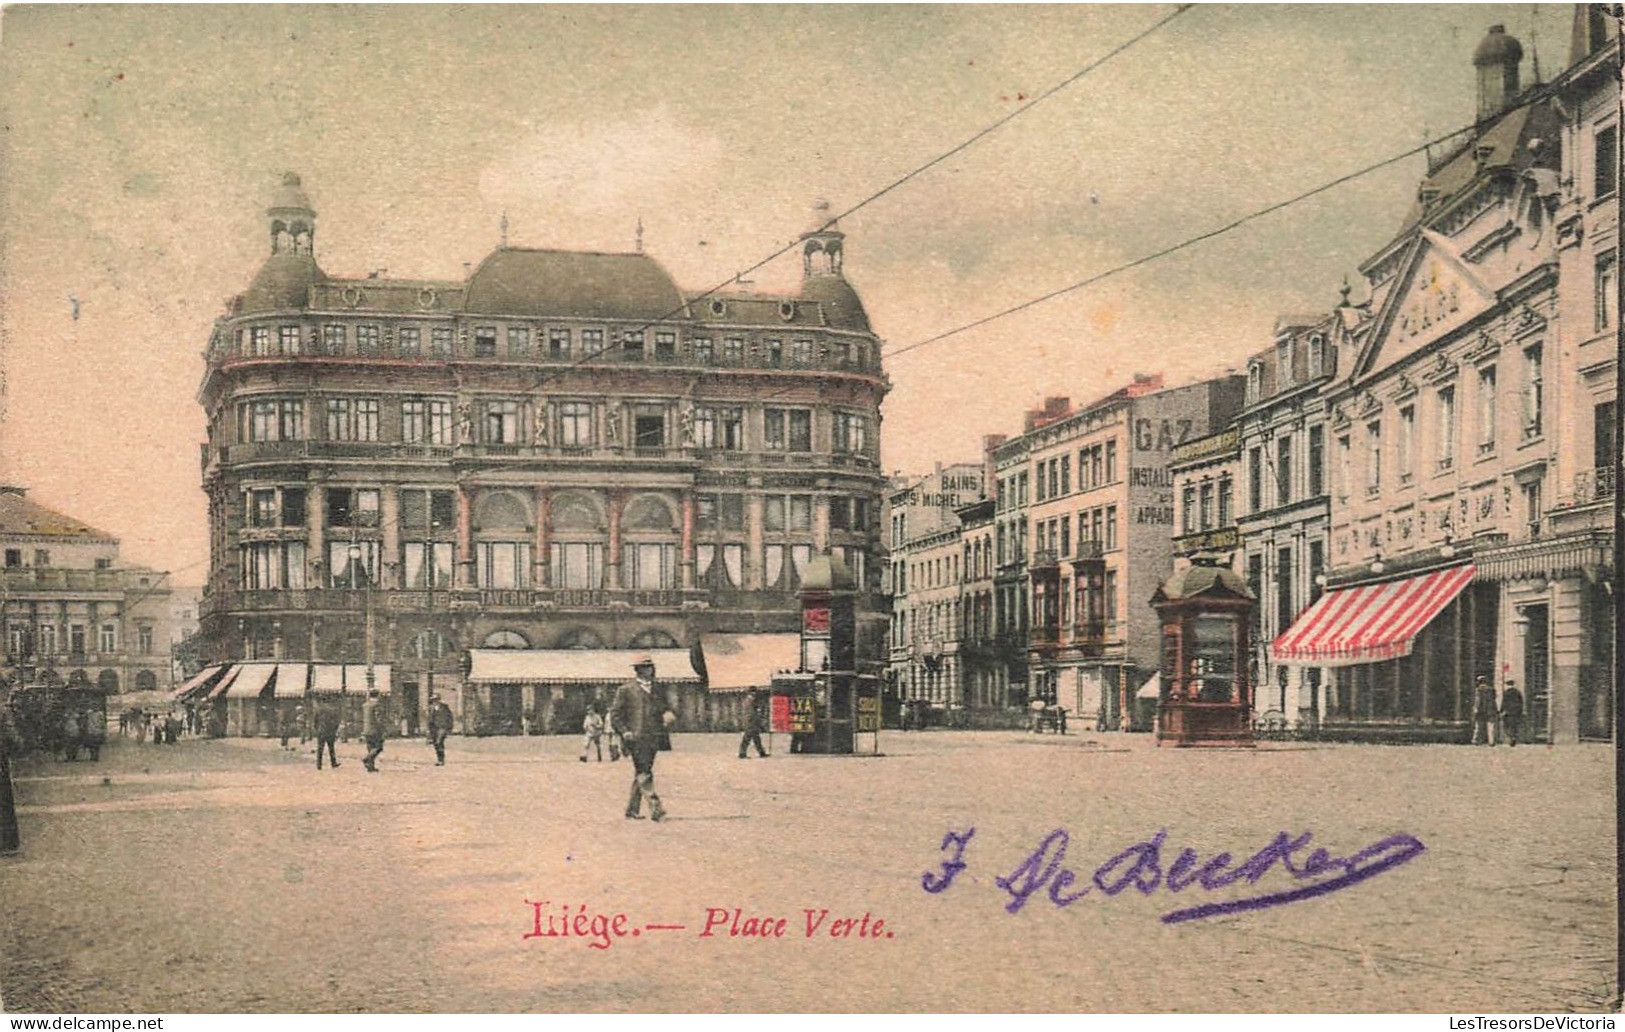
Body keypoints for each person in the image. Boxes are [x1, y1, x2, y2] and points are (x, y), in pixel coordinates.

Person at [610, 654, 675, 821]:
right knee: (644, 772)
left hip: (654, 737)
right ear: (637, 670)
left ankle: (631, 810)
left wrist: (668, 713)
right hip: (635, 738)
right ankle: (656, 808)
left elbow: (665, 707)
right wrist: (624, 731)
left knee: (642, 771)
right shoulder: (625, 690)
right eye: (645, 667)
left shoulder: (658, 688)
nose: (649, 670)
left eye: (650, 666)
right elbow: (615, 715)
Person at [738, 689, 767, 759]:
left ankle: (761, 752)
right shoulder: (749, 701)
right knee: (747, 738)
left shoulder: (751, 701)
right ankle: (742, 753)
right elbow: (750, 713)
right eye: (753, 692)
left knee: (756, 738)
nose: (755, 694)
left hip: (752, 722)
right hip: (750, 722)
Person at [361, 689, 385, 773]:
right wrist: (382, 729)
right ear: (377, 695)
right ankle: (367, 759)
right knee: (378, 747)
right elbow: (379, 719)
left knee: (370, 747)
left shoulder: (365, 705)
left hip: (366, 729)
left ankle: (370, 767)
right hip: (375, 730)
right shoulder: (377, 705)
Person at [427, 694, 454, 766]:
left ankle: (441, 760)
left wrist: (450, 727)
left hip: (443, 727)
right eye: (433, 700)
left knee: (439, 742)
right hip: (434, 728)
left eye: (436, 700)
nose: (435, 701)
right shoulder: (431, 708)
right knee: (436, 744)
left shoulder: (445, 707)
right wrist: (429, 729)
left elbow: (450, 717)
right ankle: (439, 759)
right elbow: (430, 719)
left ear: (439, 700)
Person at [1472, 675, 1498, 746]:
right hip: (1490, 710)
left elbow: (1478, 701)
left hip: (1481, 711)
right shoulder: (1492, 689)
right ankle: (1491, 741)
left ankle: (1476, 740)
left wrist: (1475, 709)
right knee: (1491, 726)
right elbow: (1494, 699)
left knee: (1479, 726)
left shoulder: (1478, 690)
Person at [314, 699, 340, 770]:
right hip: (330, 731)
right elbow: (336, 722)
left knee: (320, 748)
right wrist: (335, 730)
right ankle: (333, 763)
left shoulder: (318, 710)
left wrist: (317, 729)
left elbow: (315, 721)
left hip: (321, 731)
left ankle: (319, 764)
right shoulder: (333, 710)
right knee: (331, 748)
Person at [1500, 679, 1525, 747]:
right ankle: (1514, 737)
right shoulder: (1518, 692)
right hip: (1516, 712)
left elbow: (1504, 702)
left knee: (1507, 726)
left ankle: (1511, 738)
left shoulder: (1506, 692)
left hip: (1508, 712)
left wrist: (1501, 710)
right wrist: (1521, 711)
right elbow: (1521, 702)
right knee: (1514, 726)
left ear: (1507, 685)